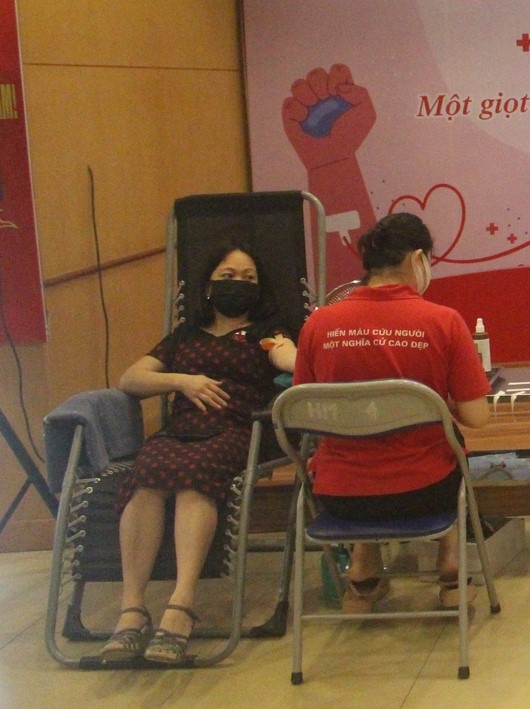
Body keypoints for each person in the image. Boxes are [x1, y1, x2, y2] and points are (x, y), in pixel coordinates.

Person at [100, 244, 297, 664]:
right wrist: (182, 381)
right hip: (180, 429)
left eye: (248, 279)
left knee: (194, 477)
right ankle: (132, 609)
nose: (237, 285)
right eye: (228, 276)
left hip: (238, 429)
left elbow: (288, 358)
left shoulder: (266, 332)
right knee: (145, 476)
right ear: (208, 286)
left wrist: (292, 354)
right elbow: (130, 379)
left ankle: (181, 605)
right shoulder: (184, 336)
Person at [294, 212, 492, 611]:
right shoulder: (443, 322)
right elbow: (477, 417)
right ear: (417, 259)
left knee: (360, 448)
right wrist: (434, 401)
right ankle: (450, 566)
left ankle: (363, 573)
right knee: (451, 444)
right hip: (424, 494)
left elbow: (304, 411)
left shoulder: (318, 324)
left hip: (339, 498)